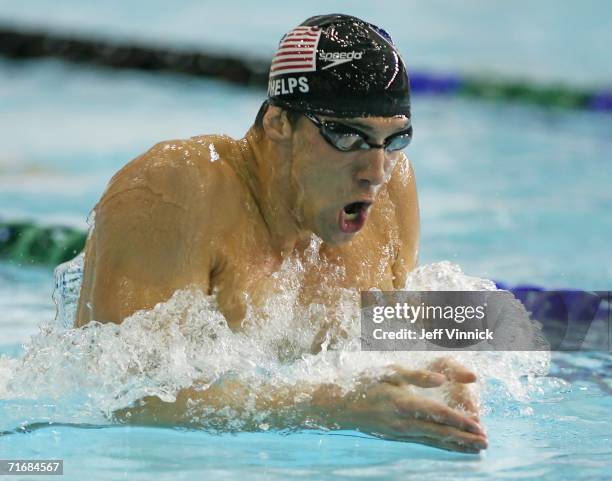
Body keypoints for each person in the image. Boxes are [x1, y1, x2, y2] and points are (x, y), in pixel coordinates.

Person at [75, 14, 488, 453]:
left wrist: (432, 371)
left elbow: (380, 335)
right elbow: (125, 398)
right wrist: (330, 406)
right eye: (348, 138)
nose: (375, 173)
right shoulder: (173, 191)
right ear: (279, 123)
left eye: (395, 140)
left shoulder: (391, 186)